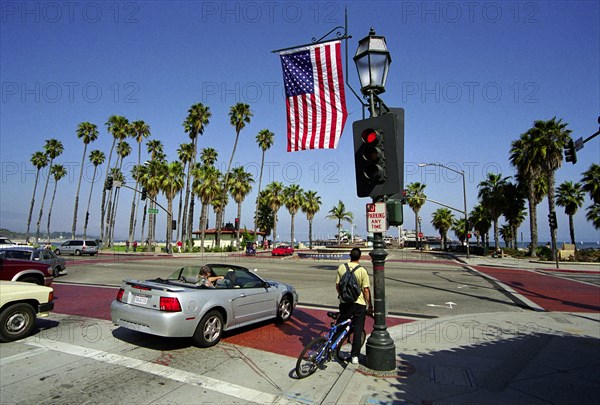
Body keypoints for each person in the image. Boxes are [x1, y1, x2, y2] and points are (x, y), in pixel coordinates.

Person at [335, 247, 372, 365]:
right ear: (359, 257)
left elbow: (337, 285)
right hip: (358, 305)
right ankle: (354, 356)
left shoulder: (342, 267)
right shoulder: (362, 271)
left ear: (350, 256)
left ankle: (333, 349)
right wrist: (369, 305)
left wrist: (342, 296)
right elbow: (366, 290)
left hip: (345, 304)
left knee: (340, 327)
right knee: (358, 330)